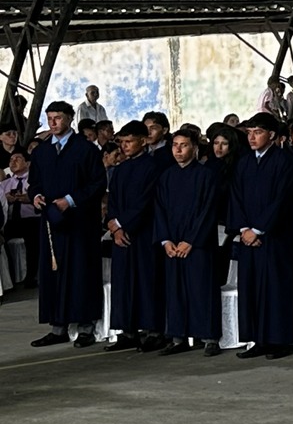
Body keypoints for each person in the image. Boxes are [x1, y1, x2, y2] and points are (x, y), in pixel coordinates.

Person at [26, 101, 106, 347]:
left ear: (70, 118)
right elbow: (34, 183)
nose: (53, 123)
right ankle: (58, 326)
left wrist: (70, 200)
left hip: (80, 223)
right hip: (52, 223)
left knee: (81, 272)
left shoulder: (86, 149)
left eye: (58, 118)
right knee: (54, 273)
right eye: (49, 118)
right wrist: (36, 196)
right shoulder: (42, 152)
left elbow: (97, 184)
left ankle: (85, 328)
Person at [229, 112, 293, 359]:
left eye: (258, 132)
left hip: (276, 237)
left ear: (271, 135)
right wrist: (243, 229)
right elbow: (235, 197)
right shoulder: (244, 162)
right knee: (252, 287)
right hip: (248, 237)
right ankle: (258, 339)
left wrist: (259, 229)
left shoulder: (286, 162)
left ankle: (280, 341)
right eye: (249, 133)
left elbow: (282, 200)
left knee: (276, 288)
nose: (252, 137)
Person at [153, 125, 221, 354]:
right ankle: (178, 337)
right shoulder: (166, 177)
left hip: (198, 244)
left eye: (184, 145)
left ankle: (209, 337)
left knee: (201, 289)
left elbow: (208, 211)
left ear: (194, 148)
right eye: (175, 145)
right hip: (173, 244)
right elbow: (159, 211)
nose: (178, 150)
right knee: (175, 290)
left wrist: (191, 240)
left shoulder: (206, 175)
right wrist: (165, 240)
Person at [103, 120, 166, 351]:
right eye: (122, 142)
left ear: (143, 141)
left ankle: (153, 331)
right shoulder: (120, 169)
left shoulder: (152, 167)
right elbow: (112, 200)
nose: (125, 146)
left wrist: (122, 223)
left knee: (146, 282)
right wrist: (114, 226)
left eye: (129, 141)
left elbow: (146, 201)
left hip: (144, 233)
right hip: (122, 235)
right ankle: (127, 330)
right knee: (123, 282)